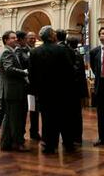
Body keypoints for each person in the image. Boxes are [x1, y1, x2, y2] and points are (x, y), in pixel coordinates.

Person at [29, 26, 76, 154]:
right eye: (54, 33)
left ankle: (49, 145)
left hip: (43, 93)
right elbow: (70, 70)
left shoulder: (34, 52)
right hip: (62, 91)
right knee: (64, 118)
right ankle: (68, 143)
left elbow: (31, 75)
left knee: (47, 119)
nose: (56, 35)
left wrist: (35, 91)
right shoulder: (61, 50)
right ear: (51, 36)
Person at [0, 30, 29, 152]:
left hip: (13, 91)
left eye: (16, 37)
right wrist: (24, 72)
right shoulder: (7, 52)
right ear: (6, 40)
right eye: (12, 38)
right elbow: (9, 69)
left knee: (10, 118)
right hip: (13, 91)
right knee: (15, 119)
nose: (15, 39)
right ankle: (16, 143)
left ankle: (6, 143)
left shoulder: (11, 51)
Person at [66, 36, 89, 144]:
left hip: (72, 90)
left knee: (72, 114)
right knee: (76, 114)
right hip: (77, 90)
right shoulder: (79, 55)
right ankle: (76, 137)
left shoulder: (74, 55)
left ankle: (75, 137)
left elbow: (74, 72)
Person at [26, 31, 41, 141]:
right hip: (29, 86)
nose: (33, 40)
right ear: (26, 39)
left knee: (35, 109)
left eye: (34, 38)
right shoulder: (24, 51)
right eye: (30, 38)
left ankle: (34, 131)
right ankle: (33, 132)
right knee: (32, 110)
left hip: (36, 86)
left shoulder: (34, 50)